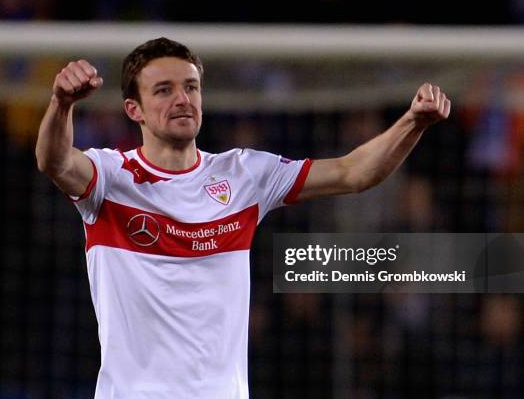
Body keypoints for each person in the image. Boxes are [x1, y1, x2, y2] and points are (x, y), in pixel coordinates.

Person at [35, 37, 450, 398]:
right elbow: (54, 160)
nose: (182, 99)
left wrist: (412, 123)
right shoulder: (111, 176)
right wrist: (62, 103)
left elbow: (352, 172)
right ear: (134, 109)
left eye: (191, 87)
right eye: (163, 90)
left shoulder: (244, 174)